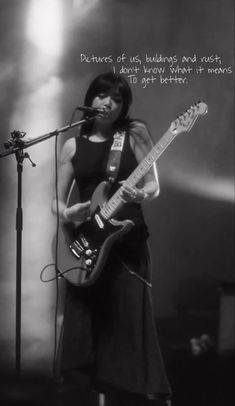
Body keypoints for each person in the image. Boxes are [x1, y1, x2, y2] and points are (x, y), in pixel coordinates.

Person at [51, 72, 171, 405]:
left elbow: (153, 185)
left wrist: (140, 193)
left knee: (131, 327)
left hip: (127, 242)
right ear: (91, 98)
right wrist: (67, 213)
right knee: (90, 333)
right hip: (86, 247)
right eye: (103, 96)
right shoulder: (72, 144)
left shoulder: (134, 133)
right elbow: (55, 202)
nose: (109, 103)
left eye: (117, 99)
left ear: (124, 106)